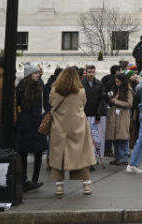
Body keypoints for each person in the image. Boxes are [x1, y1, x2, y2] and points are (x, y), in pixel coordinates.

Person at [48, 67, 97, 196]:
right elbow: (84, 104)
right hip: (78, 126)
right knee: (82, 156)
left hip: (59, 127)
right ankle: (86, 185)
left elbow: (51, 104)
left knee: (59, 157)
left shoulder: (54, 90)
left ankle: (59, 187)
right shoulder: (81, 91)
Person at [15, 64, 48, 191]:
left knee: (39, 151)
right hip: (24, 124)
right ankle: (24, 180)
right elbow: (16, 103)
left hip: (38, 123)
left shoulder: (41, 86)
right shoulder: (21, 87)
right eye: (35, 73)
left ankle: (35, 179)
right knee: (23, 152)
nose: (38, 75)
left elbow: (47, 103)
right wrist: (20, 117)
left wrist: (45, 115)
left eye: (38, 73)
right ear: (29, 74)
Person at [105, 72, 133, 165]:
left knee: (122, 137)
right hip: (114, 116)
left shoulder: (128, 90)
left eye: (118, 81)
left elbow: (129, 104)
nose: (116, 83)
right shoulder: (115, 89)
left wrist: (116, 101)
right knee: (115, 137)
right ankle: (117, 157)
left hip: (123, 116)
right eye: (115, 81)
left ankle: (123, 158)